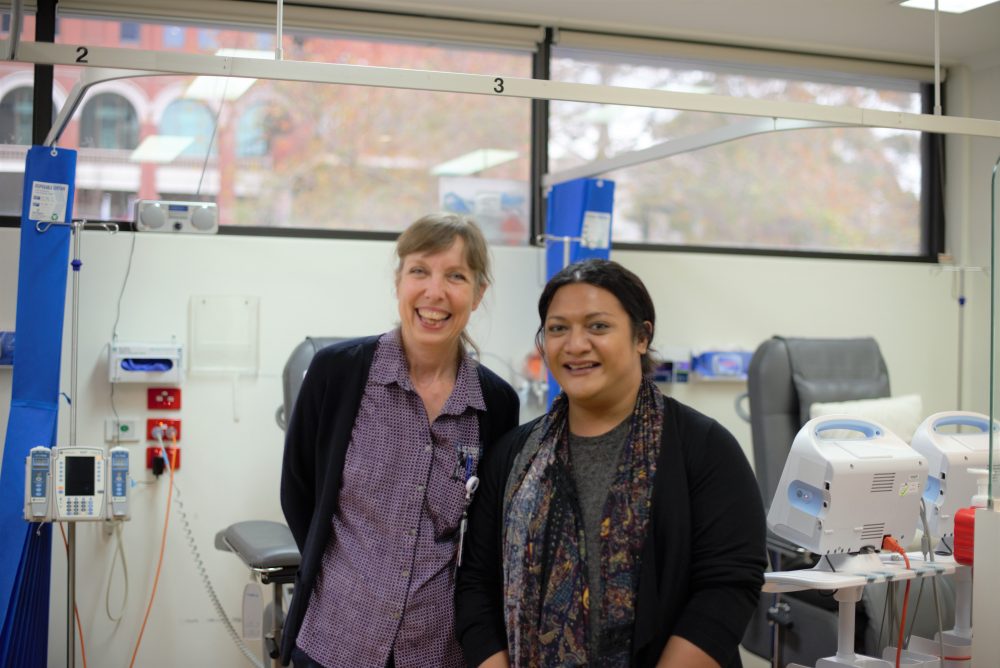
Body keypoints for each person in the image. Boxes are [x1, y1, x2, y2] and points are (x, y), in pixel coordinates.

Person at [455, 258, 766, 668]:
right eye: (558, 328)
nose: (575, 344)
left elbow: (727, 585)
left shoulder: (704, 448)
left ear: (642, 336)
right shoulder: (513, 455)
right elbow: (476, 584)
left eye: (598, 326)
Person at [280, 213, 520, 668]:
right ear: (398, 281)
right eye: (419, 271)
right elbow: (299, 490)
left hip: (437, 648)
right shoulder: (337, 373)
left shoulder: (496, 404)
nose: (435, 292)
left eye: (456, 276)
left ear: (478, 293)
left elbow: (488, 534)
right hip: (336, 637)